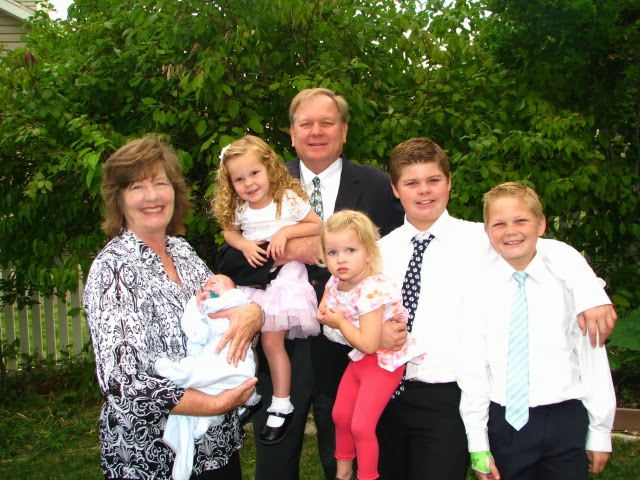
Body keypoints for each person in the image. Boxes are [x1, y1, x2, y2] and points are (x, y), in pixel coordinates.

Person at [375, 137, 618, 480]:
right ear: (395, 189)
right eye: (412, 183)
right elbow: (343, 306)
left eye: (433, 180)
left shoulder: (483, 238)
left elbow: (546, 249)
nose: (424, 191)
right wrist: (370, 335)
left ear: (449, 182)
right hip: (385, 388)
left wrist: (591, 293)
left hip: (448, 392)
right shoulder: (379, 251)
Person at [217, 88, 405, 480]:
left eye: (327, 123)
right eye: (306, 124)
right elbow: (230, 259)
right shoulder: (260, 179)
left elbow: (397, 259)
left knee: (347, 456)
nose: (316, 132)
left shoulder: (379, 186)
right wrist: (290, 250)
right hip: (281, 339)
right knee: (274, 461)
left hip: (354, 345)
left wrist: (391, 324)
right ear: (291, 133)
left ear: (345, 130)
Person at [83, 136, 263, 480]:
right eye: (137, 186)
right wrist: (216, 404)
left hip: (215, 447)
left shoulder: (183, 252)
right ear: (119, 198)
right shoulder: (114, 268)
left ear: (175, 192)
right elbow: (123, 382)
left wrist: (255, 315)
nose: (152, 196)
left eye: (160, 183)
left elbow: (226, 316)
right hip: (151, 455)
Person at [457, 182, 615, 480]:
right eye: (499, 224)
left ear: (541, 225)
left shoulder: (569, 285)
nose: (510, 231)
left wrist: (600, 431)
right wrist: (477, 442)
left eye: (521, 221)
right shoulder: (479, 289)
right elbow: (473, 368)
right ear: (487, 231)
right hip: (505, 422)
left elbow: (592, 359)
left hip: (565, 417)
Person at [213, 135, 321, 445]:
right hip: (253, 283)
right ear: (230, 183)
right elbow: (229, 233)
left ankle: (282, 403)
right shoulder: (240, 207)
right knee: (246, 340)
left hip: (284, 278)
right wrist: (244, 244)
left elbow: (317, 225)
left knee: (273, 342)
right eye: (239, 179)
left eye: (254, 173)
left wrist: (286, 232)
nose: (248, 183)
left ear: (269, 168)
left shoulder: (285, 198)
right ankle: (248, 394)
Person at [316, 210, 425, 480]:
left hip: (383, 362)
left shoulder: (373, 289)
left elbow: (368, 343)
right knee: (341, 415)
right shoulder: (337, 280)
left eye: (350, 250)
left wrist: (340, 321)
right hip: (360, 359)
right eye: (332, 252)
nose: (341, 259)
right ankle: (343, 474)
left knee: (362, 426)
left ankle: (367, 476)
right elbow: (323, 311)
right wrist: (329, 312)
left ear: (368, 252)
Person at [155, 275, 261, 480]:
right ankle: (206, 416)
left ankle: (186, 381)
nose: (213, 282)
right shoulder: (204, 305)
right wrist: (197, 308)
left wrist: (252, 311)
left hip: (235, 361)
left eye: (222, 282)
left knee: (215, 375)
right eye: (209, 282)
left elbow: (251, 310)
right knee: (203, 374)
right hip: (212, 358)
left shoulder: (235, 298)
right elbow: (197, 334)